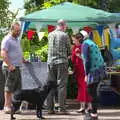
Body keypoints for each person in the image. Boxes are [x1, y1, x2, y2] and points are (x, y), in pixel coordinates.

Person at [47, 19, 71, 114]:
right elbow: (69, 50)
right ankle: (62, 109)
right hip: (61, 62)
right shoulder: (64, 35)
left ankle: (50, 109)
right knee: (62, 85)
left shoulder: (50, 34)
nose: (66, 28)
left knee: (51, 85)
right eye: (66, 27)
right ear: (63, 25)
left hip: (50, 63)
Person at [80, 30, 105, 119]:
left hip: (94, 70)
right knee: (92, 90)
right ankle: (91, 110)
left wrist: (86, 74)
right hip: (100, 68)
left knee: (91, 91)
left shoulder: (85, 44)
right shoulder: (91, 42)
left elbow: (87, 60)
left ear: (81, 38)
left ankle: (94, 113)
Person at [1, 22, 23, 114]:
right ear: (12, 29)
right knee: (9, 88)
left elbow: (17, 51)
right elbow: (3, 53)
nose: (19, 32)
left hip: (17, 67)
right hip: (10, 67)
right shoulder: (7, 39)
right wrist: (10, 65)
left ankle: (15, 107)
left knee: (17, 89)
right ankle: (6, 107)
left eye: (19, 31)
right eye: (17, 31)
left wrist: (23, 59)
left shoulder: (17, 39)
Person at [71, 33, 92, 113]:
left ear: (78, 39)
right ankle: (82, 106)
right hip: (78, 70)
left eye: (74, 40)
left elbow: (87, 59)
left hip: (84, 70)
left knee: (86, 88)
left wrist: (78, 55)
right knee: (80, 88)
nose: (73, 42)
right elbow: (73, 59)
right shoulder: (75, 47)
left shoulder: (84, 46)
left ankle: (89, 106)